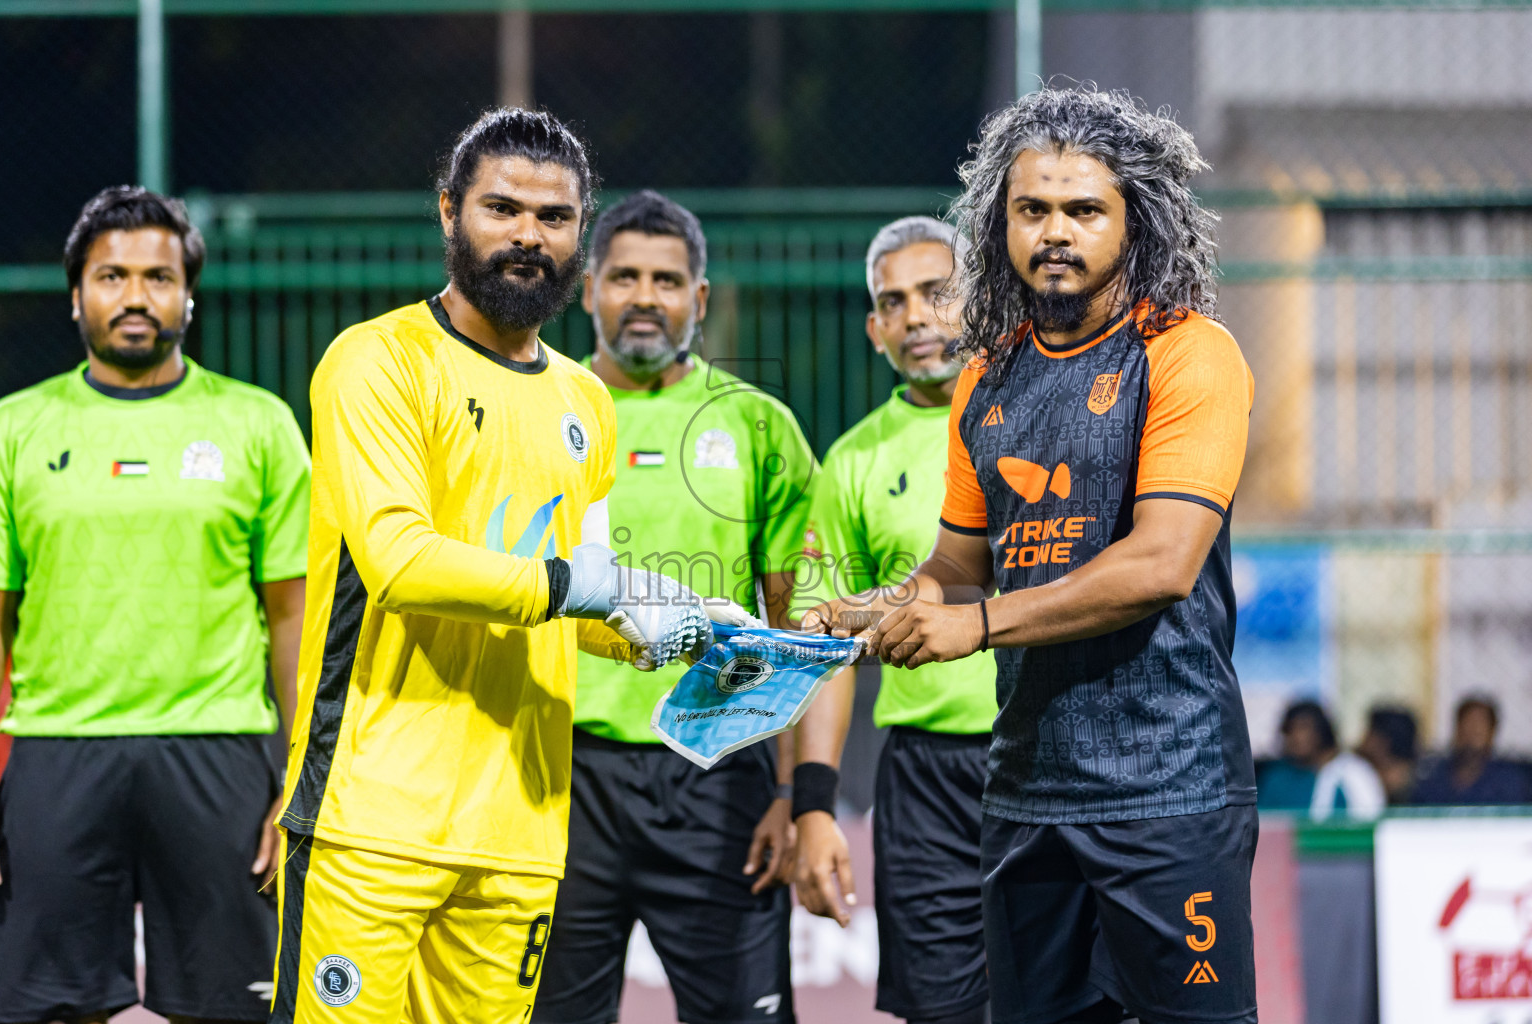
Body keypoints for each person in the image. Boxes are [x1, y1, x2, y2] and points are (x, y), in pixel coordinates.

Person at [273, 111, 746, 1024]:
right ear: (449, 214)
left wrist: (680, 625)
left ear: (580, 235)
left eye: (555, 217)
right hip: (372, 816)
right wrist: (591, 588)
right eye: (502, 208)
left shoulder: (584, 400)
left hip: (521, 830)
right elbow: (401, 563)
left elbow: (586, 592)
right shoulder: (376, 361)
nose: (529, 235)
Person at [804, 86, 1259, 1024]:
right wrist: (873, 610)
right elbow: (959, 565)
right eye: (1033, 209)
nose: (1056, 231)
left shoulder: (1188, 354)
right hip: (1025, 795)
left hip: (1165, 790)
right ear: (998, 224)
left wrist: (971, 626)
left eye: (1084, 210)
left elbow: (1162, 562)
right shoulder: (987, 371)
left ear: (1136, 222)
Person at [0, 186, 310, 1024]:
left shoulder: (259, 424)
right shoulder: (14, 429)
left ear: (188, 294)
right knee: (43, 1009)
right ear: (76, 295)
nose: (136, 296)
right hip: (56, 752)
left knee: (234, 1009)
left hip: (221, 752)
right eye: (111, 275)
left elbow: (292, 618)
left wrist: (298, 777)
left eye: (158, 277)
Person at [532, 190, 816, 1023]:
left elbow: (793, 629)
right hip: (561, 773)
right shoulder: (538, 412)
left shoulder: (758, 426)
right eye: (624, 276)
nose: (644, 296)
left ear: (699, 298)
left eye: (667, 279)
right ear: (587, 290)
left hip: (718, 772)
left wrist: (789, 792)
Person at [790, 215, 998, 1024]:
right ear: (875, 328)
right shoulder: (852, 462)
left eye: (937, 293)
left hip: (1050, 754)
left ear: (976, 298)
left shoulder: (1038, 416)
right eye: (894, 302)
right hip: (924, 784)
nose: (917, 316)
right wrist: (814, 803)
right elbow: (825, 649)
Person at [1257, 700, 1384, 821]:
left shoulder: (1354, 771)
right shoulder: (1277, 778)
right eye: (1290, 730)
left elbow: (1370, 819)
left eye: (1304, 728)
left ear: (1321, 730)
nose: (1297, 737)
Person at [1414, 696, 1530, 805]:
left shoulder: (1508, 780)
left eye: (1479, 728)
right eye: (1467, 725)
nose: (1471, 733)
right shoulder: (1433, 775)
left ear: (1491, 733)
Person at [1357, 705, 1419, 805]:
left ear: (1382, 742)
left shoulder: (1417, 788)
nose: (1363, 739)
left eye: (1369, 732)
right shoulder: (1363, 773)